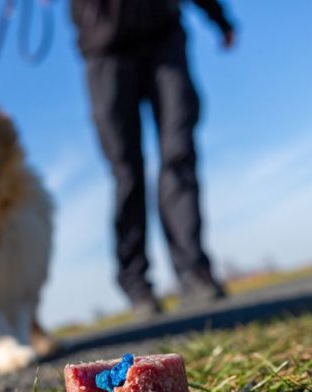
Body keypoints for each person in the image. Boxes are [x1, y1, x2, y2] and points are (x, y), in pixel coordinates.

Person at [70, 0, 236, 318]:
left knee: (179, 154)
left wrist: (219, 18)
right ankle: (137, 285)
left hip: (164, 38)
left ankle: (193, 271)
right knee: (126, 171)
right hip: (105, 48)